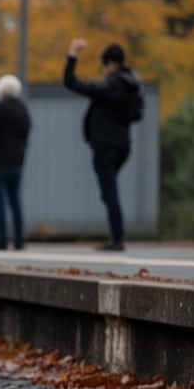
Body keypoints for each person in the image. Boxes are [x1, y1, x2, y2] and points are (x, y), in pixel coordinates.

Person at [63, 39, 144, 251]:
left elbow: (72, 82)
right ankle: (116, 235)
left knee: (109, 193)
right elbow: (137, 115)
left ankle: (117, 238)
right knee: (109, 191)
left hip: (106, 147)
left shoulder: (110, 86)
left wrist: (72, 55)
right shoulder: (133, 86)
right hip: (123, 146)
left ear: (109, 63)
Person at [0, 74, 32, 251]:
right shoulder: (23, 109)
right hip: (17, 162)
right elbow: (26, 136)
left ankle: (2, 240)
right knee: (15, 201)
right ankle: (19, 241)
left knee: (0, 203)